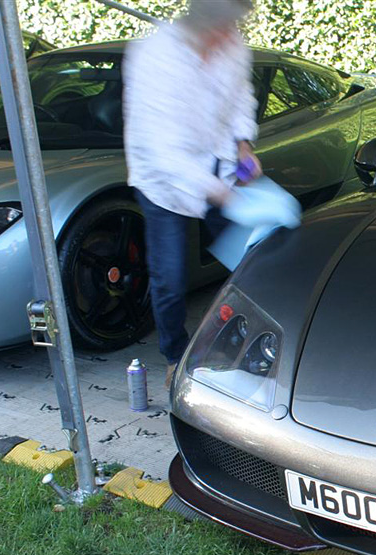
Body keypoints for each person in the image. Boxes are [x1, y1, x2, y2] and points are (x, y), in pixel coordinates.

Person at [122, 0, 261, 387]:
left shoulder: (232, 44)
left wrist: (244, 144)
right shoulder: (153, 57)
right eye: (224, 26)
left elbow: (241, 98)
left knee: (254, 258)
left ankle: (245, 346)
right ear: (200, 20)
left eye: (235, 24)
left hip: (218, 165)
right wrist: (221, 194)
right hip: (163, 182)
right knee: (170, 276)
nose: (231, 35)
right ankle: (174, 355)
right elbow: (165, 153)